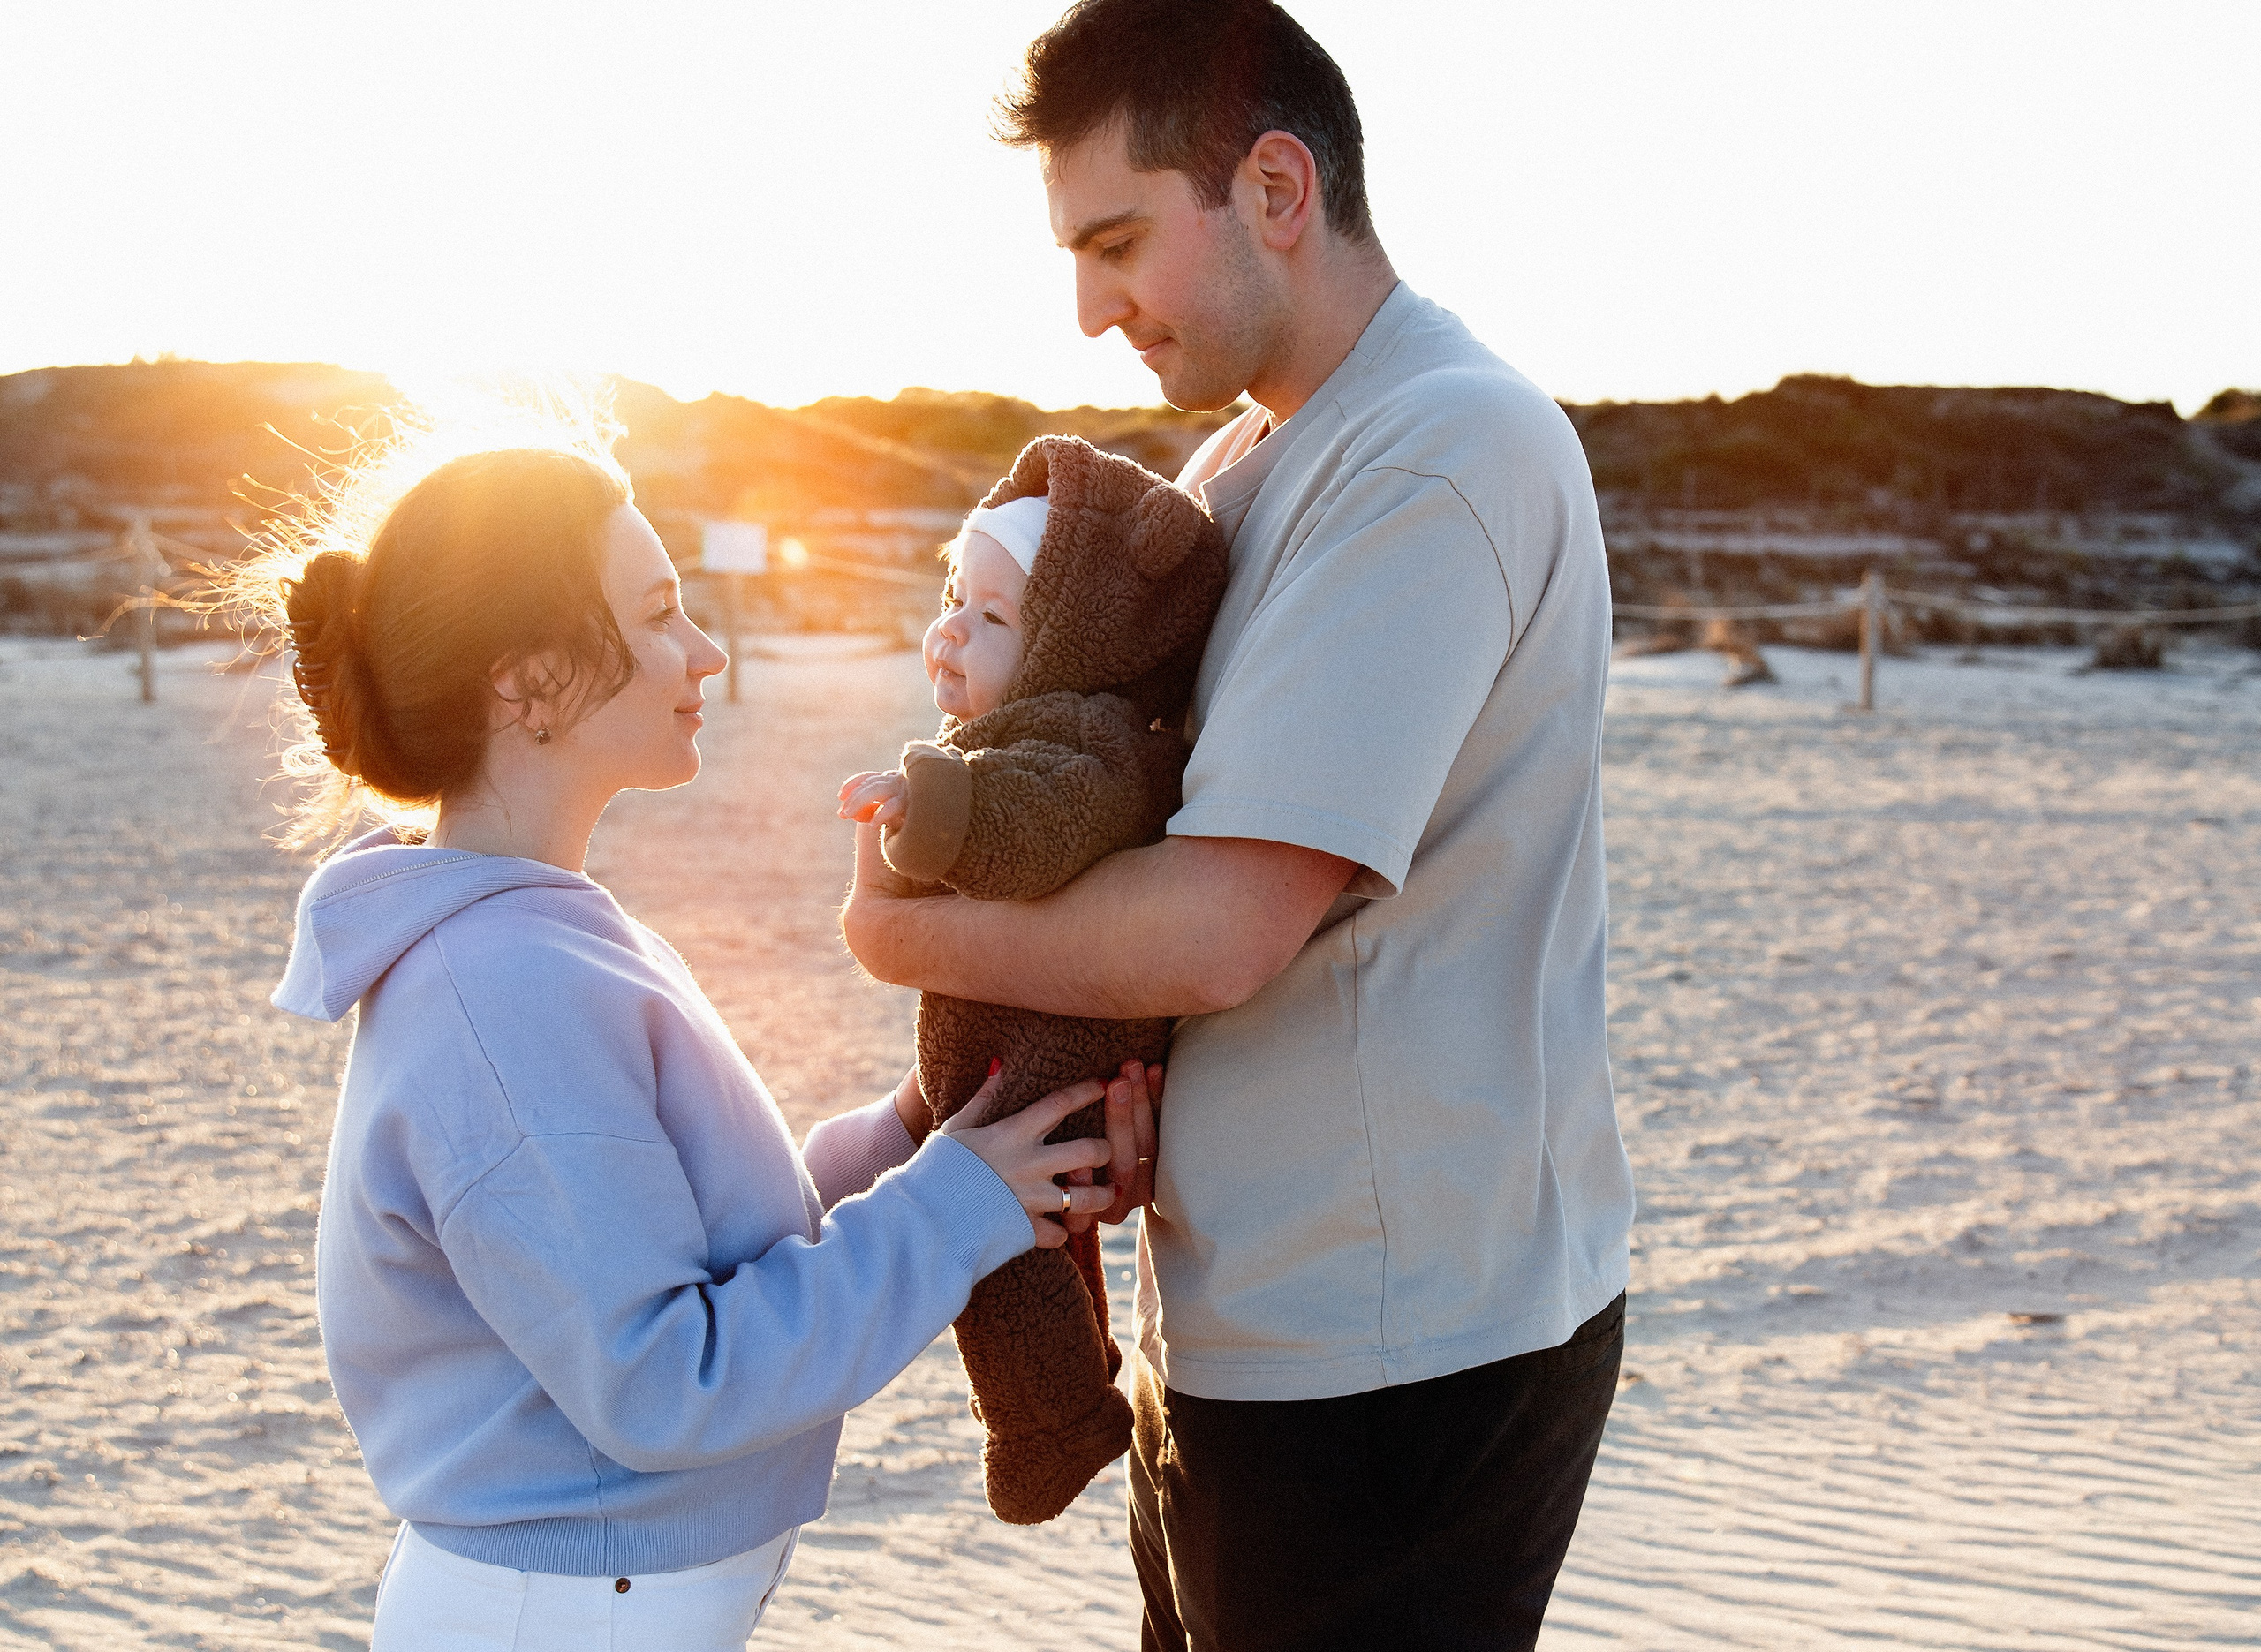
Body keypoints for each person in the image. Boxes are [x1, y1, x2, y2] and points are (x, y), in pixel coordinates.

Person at [840, 2, 1637, 1646]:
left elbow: (1218, 926)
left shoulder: (1435, 452)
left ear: (1277, 187)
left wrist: (903, 931)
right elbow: (1155, 847)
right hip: (1249, 1317)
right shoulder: (1244, 466)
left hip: (1397, 1349)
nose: (1090, 308)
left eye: (1118, 242)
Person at [244, 437, 1161, 1650]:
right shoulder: (499, 985)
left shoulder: (537, 931)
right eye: (658, 614)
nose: (706, 650)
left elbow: (690, 1240)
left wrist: (929, 1127)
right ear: (528, 685)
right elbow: (664, 1377)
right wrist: (953, 1205)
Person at [836, 436, 1227, 1523]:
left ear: (1076, 642)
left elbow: (1042, 825)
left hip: (1054, 1052)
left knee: (1002, 1248)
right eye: (952, 599)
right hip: (1025, 1045)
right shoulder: (1020, 728)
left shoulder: (1090, 740)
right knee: (1038, 1234)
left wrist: (934, 808)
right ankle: (1076, 1381)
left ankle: (1049, 1422)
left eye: (993, 617)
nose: (950, 629)